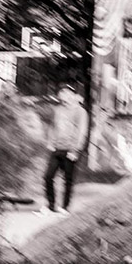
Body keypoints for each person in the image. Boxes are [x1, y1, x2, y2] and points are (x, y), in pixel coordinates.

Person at [42, 86, 88, 214]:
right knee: (48, 176)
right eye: (62, 93)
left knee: (68, 180)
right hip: (57, 148)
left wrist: (75, 150)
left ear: (73, 95)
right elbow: (53, 126)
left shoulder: (80, 111)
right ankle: (51, 205)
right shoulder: (58, 110)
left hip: (70, 150)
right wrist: (50, 142)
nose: (64, 96)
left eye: (67, 93)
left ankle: (65, 207)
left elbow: (82, 131)